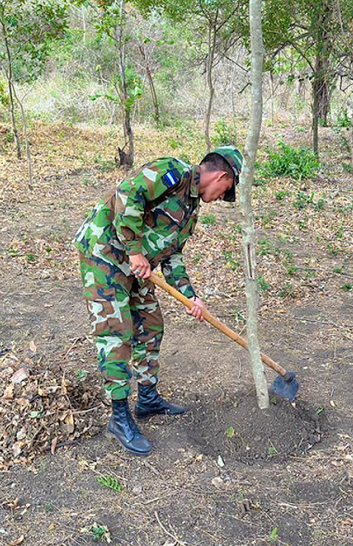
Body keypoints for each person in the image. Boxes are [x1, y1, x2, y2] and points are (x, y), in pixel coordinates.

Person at [73, 146, 243, 456]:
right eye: (225, 191)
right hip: (105, 253)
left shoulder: (191, 210)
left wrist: (191, 297)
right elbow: (128, 194)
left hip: (140, 266)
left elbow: (173, 254)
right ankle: (119, 416)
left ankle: (148, 399)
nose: (221, 198)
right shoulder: (173, 172)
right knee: (117, 331)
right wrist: (135, 250)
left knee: (151, 323)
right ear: (221, 176)